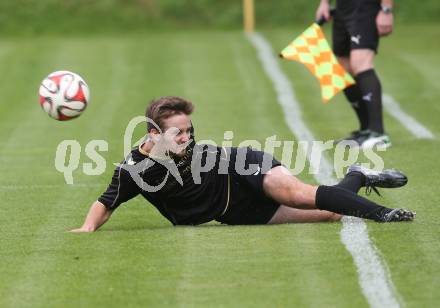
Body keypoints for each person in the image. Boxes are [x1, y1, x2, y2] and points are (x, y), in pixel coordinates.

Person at [70, 96, 414, 232]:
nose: (186, 138)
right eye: (178, 133)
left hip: (241, 167)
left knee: (297, 194)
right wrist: (86, 230)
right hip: (233, 212)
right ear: (152, 132)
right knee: (329, 213)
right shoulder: (134, 169)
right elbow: (106, 201)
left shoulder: (189, 144)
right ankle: (356, 174)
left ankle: (383, 214)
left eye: (189, 130)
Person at [315, 0, 394, 148]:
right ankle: (366, 130)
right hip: (343, 7)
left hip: (364, 6)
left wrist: (386, 9)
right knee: (341, 69)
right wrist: (324, 3)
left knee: (361, 63)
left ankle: (379, 133)